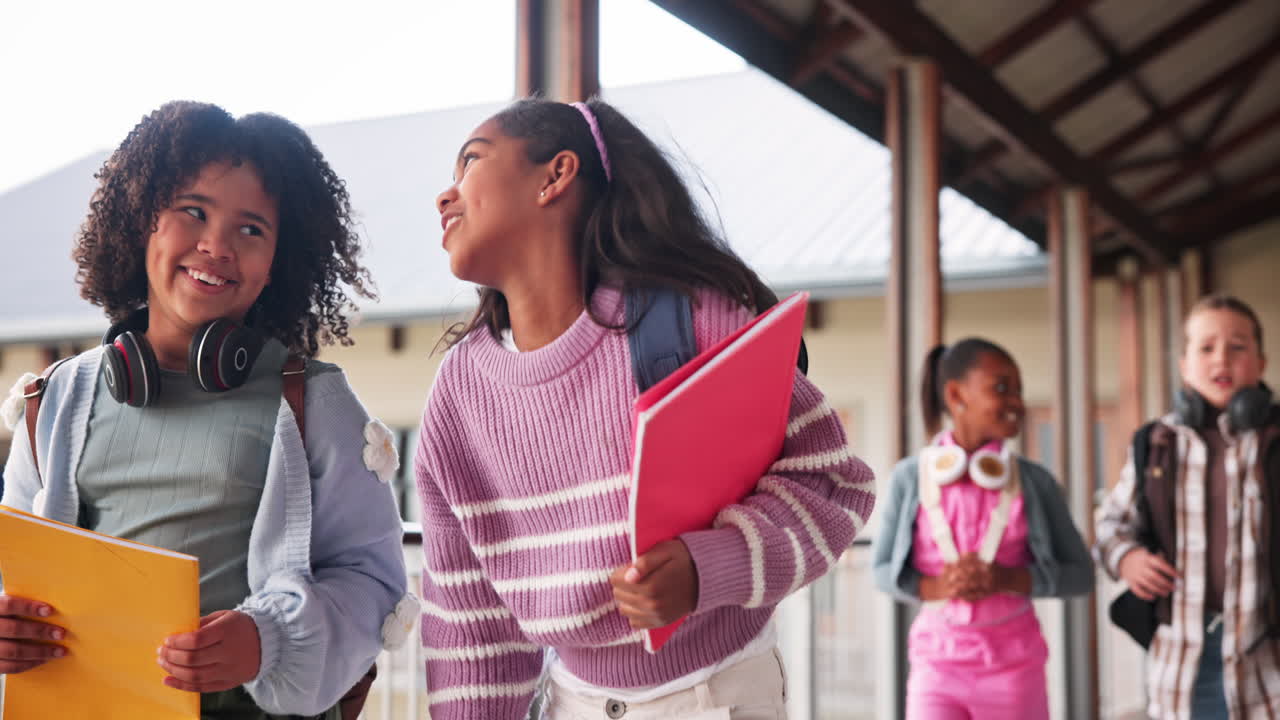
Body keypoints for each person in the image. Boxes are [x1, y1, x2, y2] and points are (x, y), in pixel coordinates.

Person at [413, 97, 876, 720]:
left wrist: (708, 566)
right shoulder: (456, 398)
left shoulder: (691, 320)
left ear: (556, 176)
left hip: (716, 697)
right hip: (568, 703)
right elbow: (470, 625)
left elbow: (831, 483)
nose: (445, 196)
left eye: (471, 161)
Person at [0, 101, 415, 719]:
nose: (216, 245)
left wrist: (267, 639)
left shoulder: (312, 402)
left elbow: (373, 581)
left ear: (278, 260)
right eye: (193, 212)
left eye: (251, 229)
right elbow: (18, 567)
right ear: (143, 223)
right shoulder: (54, 400)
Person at [872, 338, 1094, 720]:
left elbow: (1081, 576)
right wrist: (939, 587)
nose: (1017, 402)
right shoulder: (910, 478)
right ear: (956, 395)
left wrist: (1006, 578)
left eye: (1019, 391)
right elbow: (881, 571)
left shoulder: (1035, 482)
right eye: (1002, 387)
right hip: (935, 669)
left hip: (1014, 671)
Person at [1096, 294, 1280, 719]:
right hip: (1181, 662)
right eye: (1206, 347)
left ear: (1261, 362)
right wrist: (1128, 559)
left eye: (1238, 347)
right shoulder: (1155, 443)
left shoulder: (1274, 440)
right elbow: (1110, 526)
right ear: (1183, 364)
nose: (1222, 359)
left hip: (1266, 658)